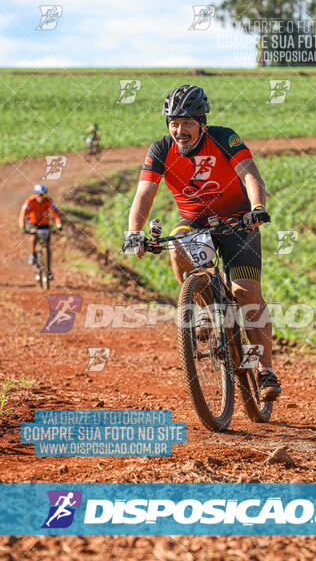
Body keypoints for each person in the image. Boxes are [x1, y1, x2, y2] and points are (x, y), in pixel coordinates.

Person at [125, 85, 281, 401]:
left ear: (202, 122)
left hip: (238, 221)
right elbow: (144, 193)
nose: (179, 130)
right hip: (196, 224)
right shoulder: (160, 150)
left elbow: (250, 173)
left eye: (186, 123)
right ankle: (205, 306)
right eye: (173, 123)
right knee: (177, 243)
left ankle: (265, 371)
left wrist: (257, 208)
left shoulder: (224, 138)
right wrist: (133, 232)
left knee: (246, 293)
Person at [19, 184, 62, 280]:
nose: (42, 197)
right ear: (35, 194)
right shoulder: (30, 201)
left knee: (47, 247)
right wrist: (23, 227)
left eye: (44, 195)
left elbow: (55, 213)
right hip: (33, 223)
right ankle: (33, 253)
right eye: (40, 195)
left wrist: (58, 224)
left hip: (44, 224)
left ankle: (49, 270)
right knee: (33, 235)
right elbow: (22, 214)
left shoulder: (48, 201)